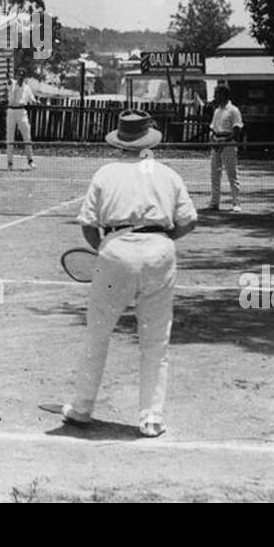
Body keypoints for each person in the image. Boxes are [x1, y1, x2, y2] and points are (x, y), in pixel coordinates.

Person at [62, 109, 198, 438]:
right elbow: (189, 221)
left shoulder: (105, 173)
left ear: (119, 142)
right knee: (155, 340)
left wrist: (109, 248)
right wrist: (161, 240)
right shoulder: (167, 173)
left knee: (97, 333)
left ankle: (81, 409)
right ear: (150, 141)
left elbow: (88, 226)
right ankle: (151, 418)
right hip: (159, 253)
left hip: (115, 252)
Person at [208, 85, 244, 212]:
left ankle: (236, 203)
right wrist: (213, 141)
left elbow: (237, 130)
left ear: (224, 95)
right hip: (216, 144)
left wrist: (225, 143)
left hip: (228, 145)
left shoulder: (233, 110)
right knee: (214, 175)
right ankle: (214, 203)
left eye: (217, 94)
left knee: (232, 174)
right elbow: (212, 128)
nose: (215, 96)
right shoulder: (217, 111)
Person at [5, 67, 37, 170]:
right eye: (19, 75)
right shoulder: (12, 84)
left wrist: (36, 102)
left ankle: (30, 160)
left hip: (21, 111)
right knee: (10, 137)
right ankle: (10, 162)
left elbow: (32, 99)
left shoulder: (27, 88)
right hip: (11, 111)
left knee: (27, 136)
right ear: (16, 76)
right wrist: (8, 78)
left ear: (24, 77)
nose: (20, 77)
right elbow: (9, 82)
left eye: (22, 75)